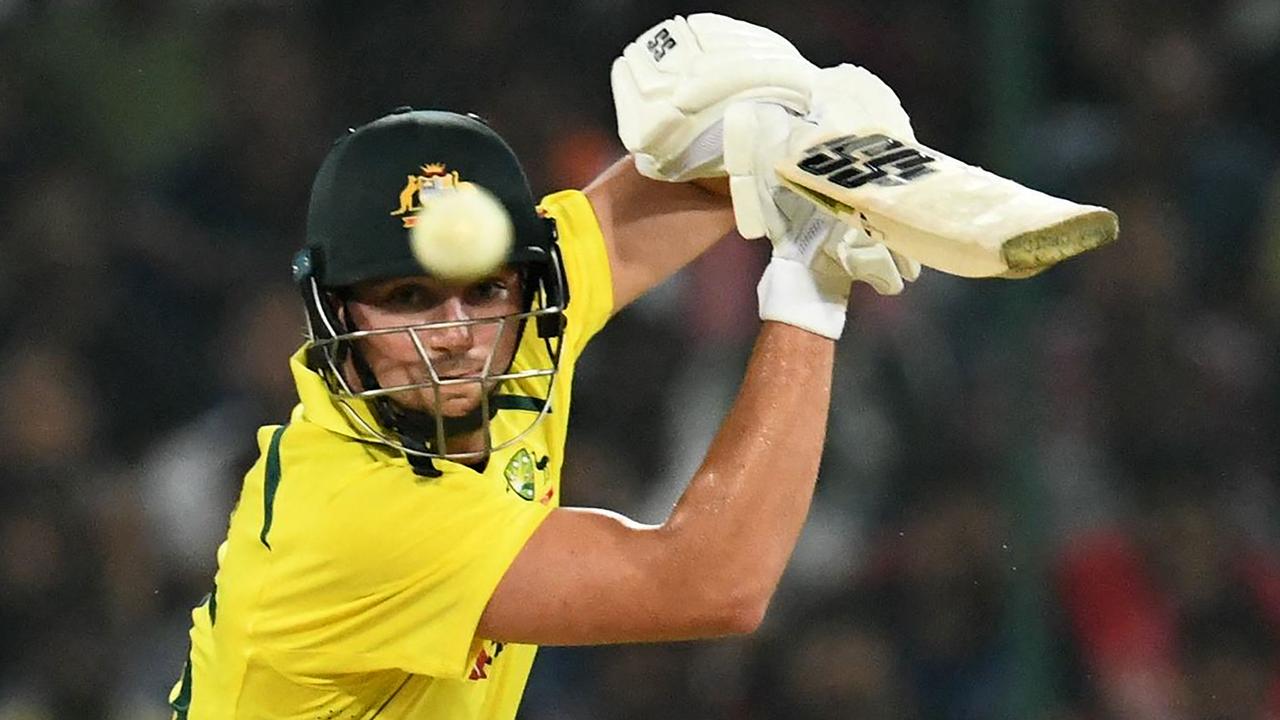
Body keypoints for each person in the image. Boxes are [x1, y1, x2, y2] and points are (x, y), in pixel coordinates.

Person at [170, 15, 918, 719]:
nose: (457, 334)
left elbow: (659, 207)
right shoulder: (353, 514)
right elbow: (716, 583)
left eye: (485, 287)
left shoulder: (520, 320)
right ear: (338, 314)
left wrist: (798, 117)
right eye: (409, 297)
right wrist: (811, 293)